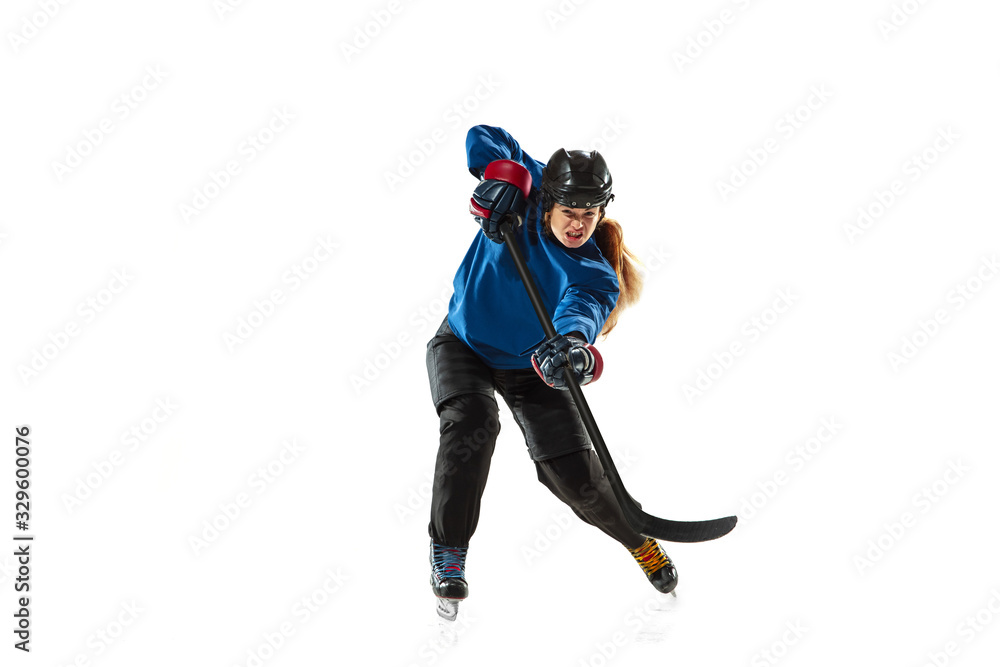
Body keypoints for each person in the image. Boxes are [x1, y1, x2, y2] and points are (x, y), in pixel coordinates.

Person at [426, 125, 677, 615]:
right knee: (472, 423)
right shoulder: (529, 189)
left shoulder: (593, 271)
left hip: (533, 365)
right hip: (463, 344)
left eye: (589, 214)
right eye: (570, 213)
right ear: (549, 201)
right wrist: (501, 178)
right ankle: (449, 552)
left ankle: (637, 540)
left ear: (602, 210)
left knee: (572, 475)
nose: (578, 225)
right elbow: (485, 135)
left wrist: (570, 346)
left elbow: (581, 309)